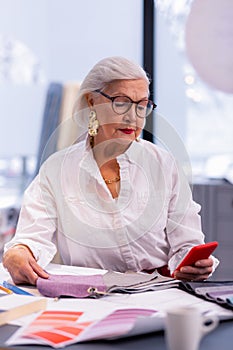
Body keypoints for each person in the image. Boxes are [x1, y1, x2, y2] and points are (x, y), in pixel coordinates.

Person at [3, 56, 218, 285]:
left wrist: (191, 263)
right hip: (89, 296)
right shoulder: (56, 170)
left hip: (159, 292)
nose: (132, 117)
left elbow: (187, 244)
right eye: (121, 102)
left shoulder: (164, 165)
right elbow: (31, 238)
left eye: (142, 105)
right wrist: (19, 252)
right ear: (92, 102)